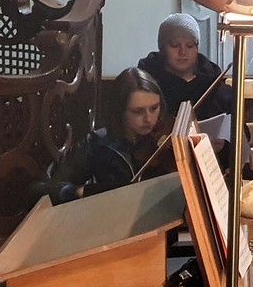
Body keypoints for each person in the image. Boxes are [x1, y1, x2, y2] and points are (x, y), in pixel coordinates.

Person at [49, 68, 169, 203]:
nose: (149, 119)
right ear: (120, 111)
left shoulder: (164, 136)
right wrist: (83, 192)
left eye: (154, 108)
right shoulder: (99, 143)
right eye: (137, 111)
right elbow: (48, 187)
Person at [137, 13, 232, 121]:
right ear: (162, 48)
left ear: (196, 48)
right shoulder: (145, 83)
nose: (183, 52)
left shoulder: (214, 83)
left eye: (189, 46)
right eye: (175, 45)